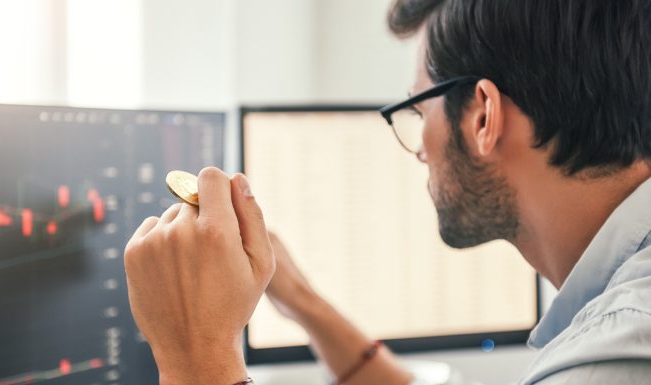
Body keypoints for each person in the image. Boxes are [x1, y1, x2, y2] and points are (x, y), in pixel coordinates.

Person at [122, 0, 651, 384]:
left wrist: (198, 359)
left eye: (419, 111)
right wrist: (301, 302)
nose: (418, 145)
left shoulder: (612, 356)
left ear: (484, 116)